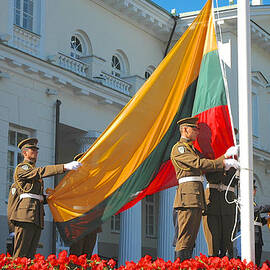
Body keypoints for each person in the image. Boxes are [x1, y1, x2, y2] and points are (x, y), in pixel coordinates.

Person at [171, 116, 240, 261]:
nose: (197, 132)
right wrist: (225, 162)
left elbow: (209, 163)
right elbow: (198, 163)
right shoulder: (180, 148)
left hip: (195, 197)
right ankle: (180, 264)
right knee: (184, 238)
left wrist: (225, 156)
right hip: (187, 198)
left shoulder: (192, 149)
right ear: (185, 129)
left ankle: (186, 264)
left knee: (191, 239)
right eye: (195, 129)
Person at [7, 138, 82, 258]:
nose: (36, 152)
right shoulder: (22, 168)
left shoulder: (34, 171)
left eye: (36, 150)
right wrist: (64, 167)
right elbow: (40, 172)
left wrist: (52, 197)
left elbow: (37, 197)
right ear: (25, 153)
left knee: (30, 256)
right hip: (25, 216)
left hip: (36, 217)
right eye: (32, 150)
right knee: (20, 255)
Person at [69, 153, 102, 258]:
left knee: (88, 253)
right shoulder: (72, 179)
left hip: (92, 219)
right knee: (76, 252)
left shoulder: (93, 179)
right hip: (78, 219)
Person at [203, 168, 239, 258]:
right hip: (212, 204)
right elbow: (210, 176)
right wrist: (223, 165)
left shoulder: (236, 159)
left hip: (229, 205)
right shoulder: (212, 157)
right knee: (213, 244)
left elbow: (235, 181)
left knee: (227, 245)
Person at [253, 182, 270, 266]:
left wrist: (266, 219)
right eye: (254, 189)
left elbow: (258, 222)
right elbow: (259, 208)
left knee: (257, 261)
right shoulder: (247, 202)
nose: (256, 190)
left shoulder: (253, 202)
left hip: (257, 237)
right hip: (253, 237)